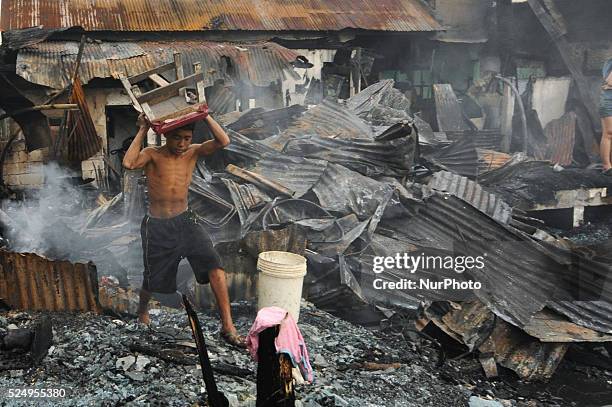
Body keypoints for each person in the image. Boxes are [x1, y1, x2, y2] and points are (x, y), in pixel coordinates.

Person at [122, 112, 245, 348]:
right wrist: (142, 129)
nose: (182, 144)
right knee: (152, 276)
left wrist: (206, 115)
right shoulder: (152, 154)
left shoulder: (194, 152)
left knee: (215, 265)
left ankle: (228, 327)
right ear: (166, 135)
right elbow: (128, 163)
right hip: (156, 226)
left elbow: (223, 141)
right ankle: (142, 311)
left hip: (186, 221)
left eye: (187, 138)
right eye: (177, 138)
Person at [599, 57, 612, 174]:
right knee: (609, 132)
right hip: (609, 101)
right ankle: (607, 167)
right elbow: (610, 81)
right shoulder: (609, 62)